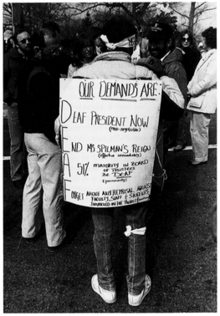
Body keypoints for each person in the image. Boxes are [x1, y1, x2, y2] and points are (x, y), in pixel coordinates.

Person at [56, 15, 184, 306]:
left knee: (101, 227)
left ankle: (107, 285)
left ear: (103, 43)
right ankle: (136, 288)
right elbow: (177, 107)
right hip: (135, 170)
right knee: (136, 225)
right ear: (132, 43)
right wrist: (161, 72)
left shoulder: (80, 76)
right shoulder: (145, 75)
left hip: (94, 173)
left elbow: (60, 125)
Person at [17, 23, 69, 251]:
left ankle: (28, 230)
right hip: (45, 137)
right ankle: (55, 236)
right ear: (40, 48)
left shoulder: (27, 67)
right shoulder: (43, 73)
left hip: (29, 134)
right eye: (53, 49)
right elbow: (46, 111)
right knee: (52, 187)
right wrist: (55, 136)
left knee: (33, 183)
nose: (57, 52)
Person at [137, 21, 188, 159]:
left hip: (160, 134)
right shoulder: (154, 62)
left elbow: (178, 107)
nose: (152, 46)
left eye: (158, 42)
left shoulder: (175, 68)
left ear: (169, 42)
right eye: (151, 41)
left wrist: (162, 135)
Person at [4, 27, 32, 189]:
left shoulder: (31, 57)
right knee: (16, 143)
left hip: (29, 105)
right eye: (23, 41)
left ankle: (28, 173)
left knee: (30, 142)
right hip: (15, 105)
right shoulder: (8, 58)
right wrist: (9, 98)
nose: (27, 43)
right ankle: (16, 176)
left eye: (28, 39)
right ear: (16, 43)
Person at [187, 27, 217, 166]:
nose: (201, 43)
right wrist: (189, 88)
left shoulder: (215, 57)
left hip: (204, 99)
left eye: (203, 40)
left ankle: (200, 157)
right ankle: (198, 155)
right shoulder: (207, 55)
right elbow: (196, 77)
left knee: (200, 131)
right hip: (199, 100)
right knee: (196, 130)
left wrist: (192, 91)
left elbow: (208, 80)